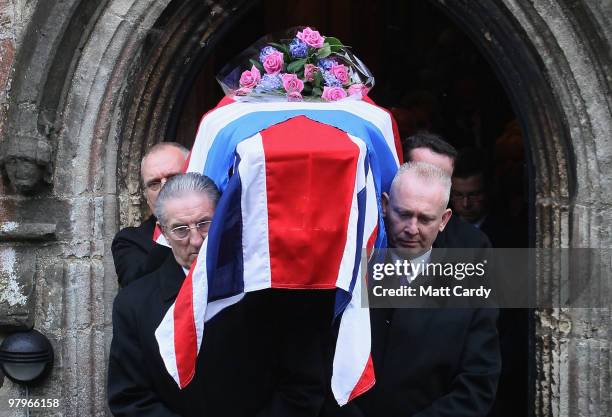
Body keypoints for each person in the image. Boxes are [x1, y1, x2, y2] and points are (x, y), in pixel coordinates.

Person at [108, 173, 335, 417]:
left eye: (205, 224)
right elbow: (130, 397)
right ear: (164, 232)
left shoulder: (269, 289)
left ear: (224, 221)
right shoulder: (133, 304)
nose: (195, 240)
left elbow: (303, 385)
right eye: (180, 230)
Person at [354, 162, 501, 416]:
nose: (412, 229)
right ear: (385, 206)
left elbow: (476, 386)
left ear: (444, 219)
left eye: (425, 218)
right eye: (403, 214)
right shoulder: (354, 275)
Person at [111, 142, 188, 287]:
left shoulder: (217, 228)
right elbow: (136, 289)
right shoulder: (130, 241)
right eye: (154, 184)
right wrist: (171, 229)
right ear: (146, 196)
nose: (165, 189)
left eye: (173, 178)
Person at [403, 132, 492, 249]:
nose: (431, 187)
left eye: (442, 181)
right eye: (423, 176)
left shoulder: (473, 245)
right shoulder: (375, 230)